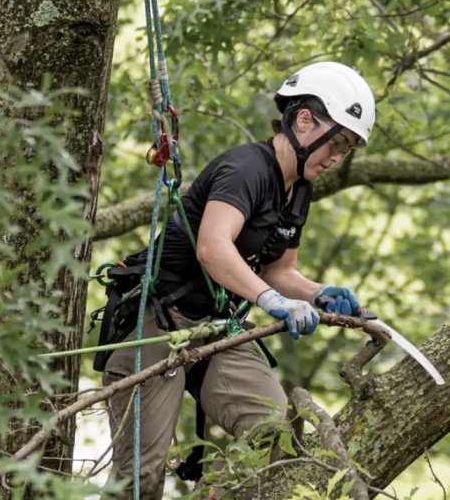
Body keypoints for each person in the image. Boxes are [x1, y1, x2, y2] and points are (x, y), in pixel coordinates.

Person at [94, 60, 377, 499]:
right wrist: (272, 301)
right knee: (140, 478)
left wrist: (319, 293)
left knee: (276, 436)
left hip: (216, 327)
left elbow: (280, 270)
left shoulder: (298, 188)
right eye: (337, 140)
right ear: (304, 121)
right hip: (159, 319)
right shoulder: (247, 168)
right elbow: (213, 247)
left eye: (349, 148)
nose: (339, 156)